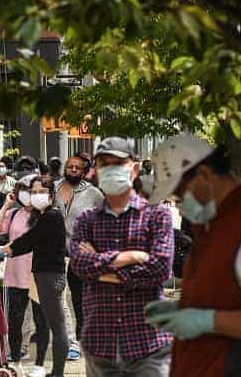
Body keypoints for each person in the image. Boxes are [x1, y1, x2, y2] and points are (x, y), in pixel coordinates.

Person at [145, 135, 241, 377]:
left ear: (205, 175)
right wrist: (184, 308)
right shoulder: (212, 226)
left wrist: (205, 320)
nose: (178, 204)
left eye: (179, 194)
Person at [69, 137, 174, 377]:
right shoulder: (87, 219)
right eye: (104, 163)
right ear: (95, 171)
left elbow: (160, 269)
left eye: (118, 162)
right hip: (100, 344)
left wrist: (101, 268)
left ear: (134, 168)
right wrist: (131, 256)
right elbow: (79, 264)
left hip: (148, 344)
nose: (110, 168)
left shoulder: (157, 215)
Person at [0, 176, 69, 377]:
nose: (36, 196)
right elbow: (27, 240)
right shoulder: (43, 216)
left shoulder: (51, 216)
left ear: (51, 195)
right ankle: (46, 369)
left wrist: (5, 249)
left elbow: (29, 240)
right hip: (39, 275)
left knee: (54, 326)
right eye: (33, 192)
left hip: (49, 277)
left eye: (41, 192)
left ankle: (53, 370)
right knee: (37, 323)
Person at [54, 154, 104, 361]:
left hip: (79, 255)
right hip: (54, 253)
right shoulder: (52, 188)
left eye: (77, 168)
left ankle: (83, 339)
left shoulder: (93, 193)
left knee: (79, 299)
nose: (73, 170)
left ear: (83, 172)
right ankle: (70, 341)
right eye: (69, 167)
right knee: (58, 299)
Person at [0, 175, 35, 370]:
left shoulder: (47, 215)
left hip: (39, 276)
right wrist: (6, 206)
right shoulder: (14, 214)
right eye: (22, 189)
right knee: (14, 322)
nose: (26, 194)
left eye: (31, 190)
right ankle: (15, 360)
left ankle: (39, 363)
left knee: (42, 323)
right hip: (15, 276)